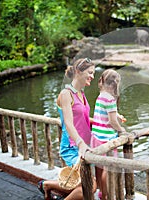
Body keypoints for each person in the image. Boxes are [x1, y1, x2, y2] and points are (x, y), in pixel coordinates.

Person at [37, 58, 97, 200]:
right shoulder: (66, 94)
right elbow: (69, 124)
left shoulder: (81, 94)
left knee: (83, 183)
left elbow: (85, 120)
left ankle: (47, 185)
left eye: (94, 73)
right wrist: (80, 143)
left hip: (84, 145)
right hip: (72, 146)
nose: (93, 76)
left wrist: (106, 122)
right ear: (78, 72)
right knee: (89, 187)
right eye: (90, 72)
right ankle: (49, 186)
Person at [91, 69, 126, 200]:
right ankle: (105, 195)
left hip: (96, 137)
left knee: (99, 167)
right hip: (107, 139)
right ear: (115, 85)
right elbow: (112, 121)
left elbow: (107, 113)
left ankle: (101, 192)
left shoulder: (101, 95)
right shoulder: (111, 99)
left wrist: (118, 115)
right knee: (108, 167)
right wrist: (121, 130)